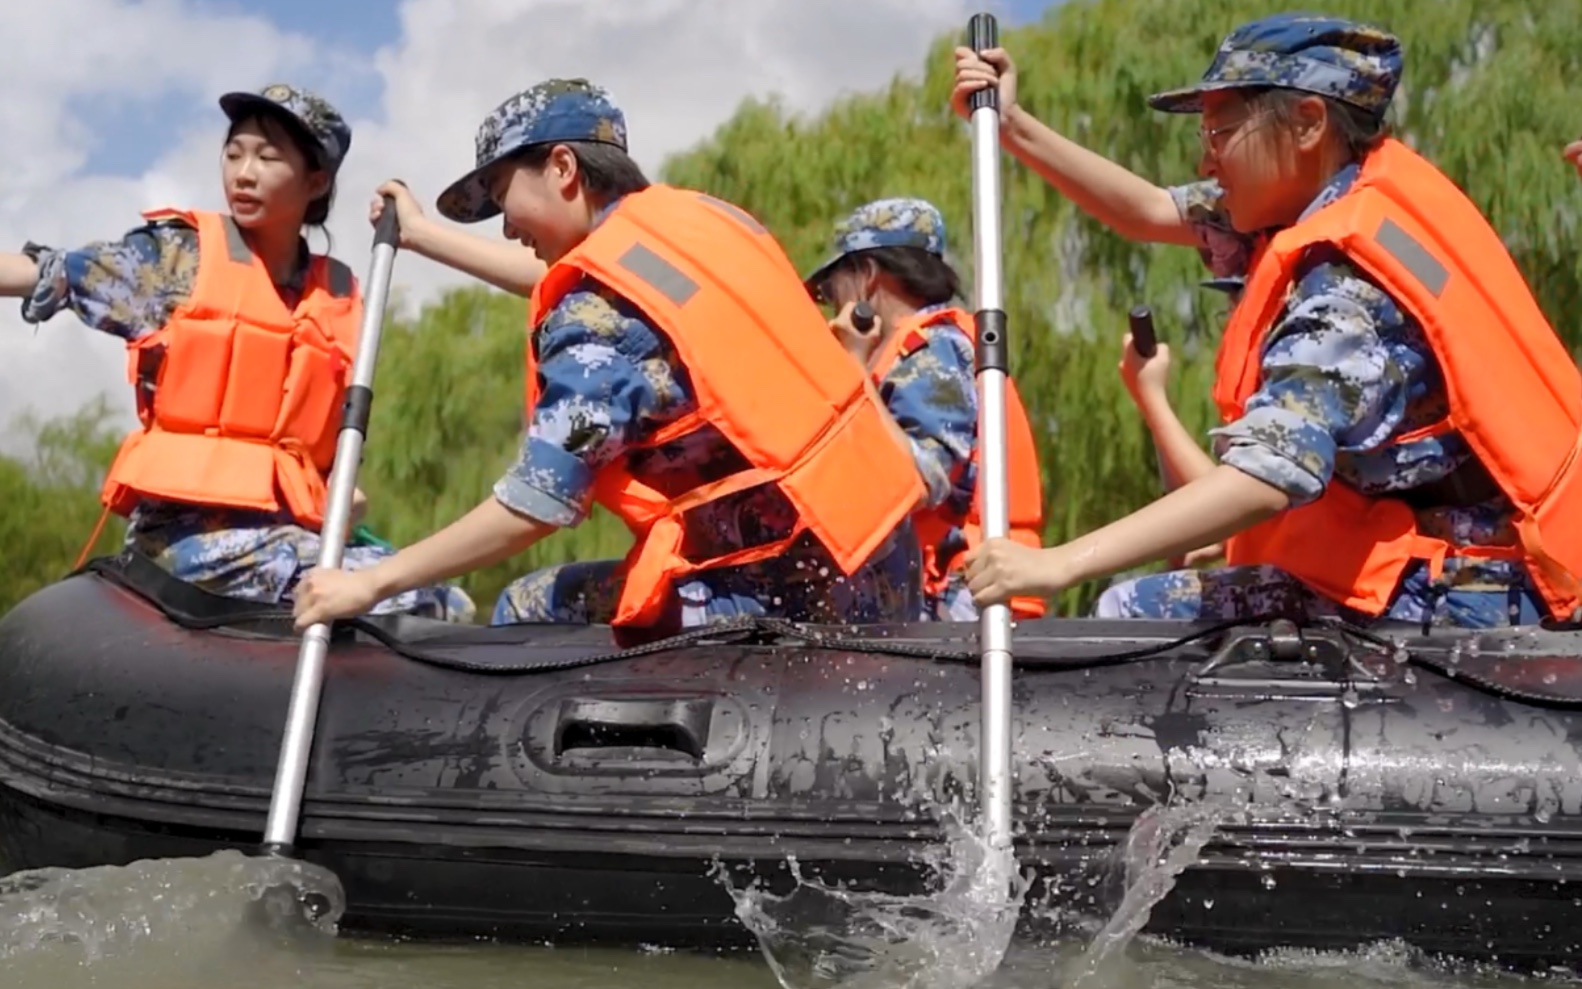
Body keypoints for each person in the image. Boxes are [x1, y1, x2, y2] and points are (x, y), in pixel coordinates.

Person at [957, 14, 1582, 629]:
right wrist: (1010, 125)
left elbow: (1267, 477)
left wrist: (1060, 564)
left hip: (1462, 593)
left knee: (1129, 613)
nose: (1206, 163)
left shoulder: (1348, 288)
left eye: (1219, 135)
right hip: (1426, 563)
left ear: (1308, 124)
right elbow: (1146, 209)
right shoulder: (1334, 196)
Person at [290, 79, 927, 633]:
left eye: (502, 196)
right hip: (880, 558)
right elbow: (577, 281)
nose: (506, 226)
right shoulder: (703, 225)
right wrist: (426, 237)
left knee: (527, 603)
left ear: (562, 168)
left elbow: (536, 504)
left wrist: (371, 583)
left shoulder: (596, 314)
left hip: (781, 592)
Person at [0, 85, 474, 621]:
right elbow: (42, 271)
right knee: (389, 593)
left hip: (287, 531)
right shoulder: (179, 260)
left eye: (267, 157)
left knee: (444, 602)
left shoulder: (340, 295)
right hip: (184, 537)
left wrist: (338, 495)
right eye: (233, 153)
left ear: (316, 181)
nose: (243, 172)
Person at [804, 198, 1046, 622]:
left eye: (830, 290)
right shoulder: (922, 351)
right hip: (950, 593)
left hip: (957, 600)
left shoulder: (934, 349)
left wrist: (853, 367)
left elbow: (917, 480)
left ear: (867, 277)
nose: (830, 304)